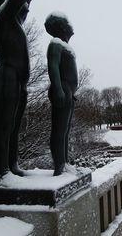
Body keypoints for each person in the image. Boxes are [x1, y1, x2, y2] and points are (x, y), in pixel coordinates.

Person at [0, 0, 36, 182]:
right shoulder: (4, 16)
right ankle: (1, 173)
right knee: (3, 126)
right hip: (6, 77)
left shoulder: (14, 22)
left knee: (14, 128)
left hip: (18, 81)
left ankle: (11, 165)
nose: (25, 9)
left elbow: (25, 0)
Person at [45, 12, 78, 176]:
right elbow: (53, 66)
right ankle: (59, 165)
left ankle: (64, 163)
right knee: (59, 129)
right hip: (62, 89)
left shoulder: (64, 46)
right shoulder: (55, 44)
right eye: (68, 22)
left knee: (65, 130)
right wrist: (57, 88)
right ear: (63, 27)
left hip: (68, 92)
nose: (71, 25)